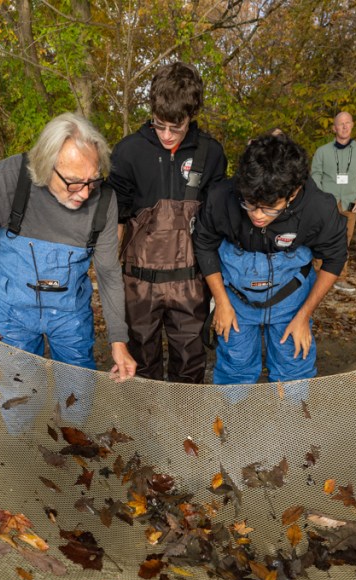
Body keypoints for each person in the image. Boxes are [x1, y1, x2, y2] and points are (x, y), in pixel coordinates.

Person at [0, 112, 137, 381]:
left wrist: (118, 341)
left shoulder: (104, 200)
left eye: (93, 180)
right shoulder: (8, 180)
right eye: (74, 183)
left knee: (80, 393)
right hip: (10, 310)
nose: (86, 193)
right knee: (20, 397)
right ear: (45, 166)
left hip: (70, 311)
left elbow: (109, 273)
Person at [193, 133, 347, 386]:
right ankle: (234, 422)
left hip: (291, 298)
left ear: (294, 192)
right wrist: (220, 302)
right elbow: (204, 244)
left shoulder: (319, 206)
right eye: (250, 204)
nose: (257, 216)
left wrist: (304, 315)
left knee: (294, 366)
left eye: (269, 208)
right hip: (235, 296)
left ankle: (291, 421)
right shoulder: (221, 196)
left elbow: (335, 259)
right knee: (235, 365)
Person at [108, 62, 227, 383]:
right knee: (140, 363)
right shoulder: (128, 152)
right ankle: (144, 429)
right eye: (160, 126)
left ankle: (183, 429)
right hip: (139, 283)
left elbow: (216, 226)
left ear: (192, 115)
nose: (166, 135)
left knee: (190, 363)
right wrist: (109, 275)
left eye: (177, 127)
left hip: (191, 281)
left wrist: (219, 285)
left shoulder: (211, 153)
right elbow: (116, 221)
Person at [311, 111, 356, 294]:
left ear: (352, 125)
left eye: (347, 123)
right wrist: (320, 199)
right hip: (327, 202)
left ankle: (340, 278)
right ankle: (318, 278)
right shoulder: (322, 151)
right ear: (334, 128)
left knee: (344, 241)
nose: (344, 126)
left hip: (350, 202)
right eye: (340, 123)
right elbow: (315, 175)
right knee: (322, 239)